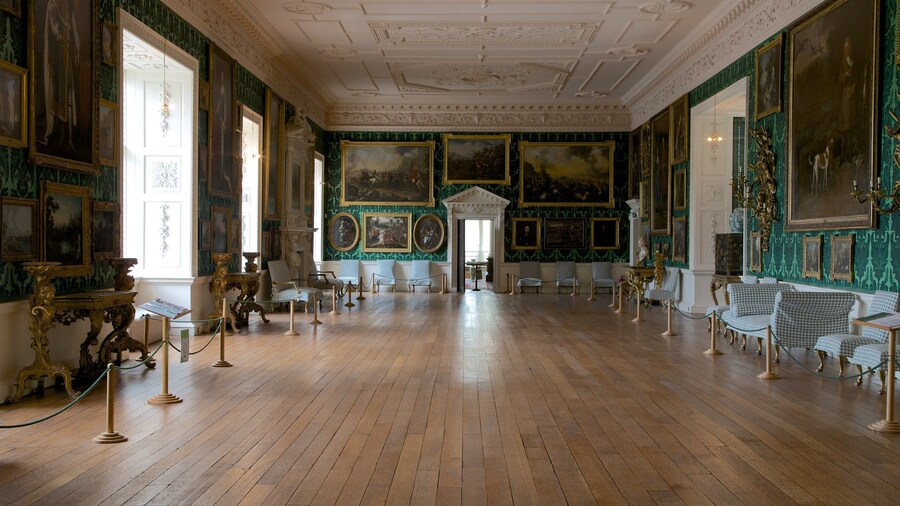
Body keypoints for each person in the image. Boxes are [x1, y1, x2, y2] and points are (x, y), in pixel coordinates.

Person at [42, 0, 82, 151]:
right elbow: (54, 29)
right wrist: (60, 35)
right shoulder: (53, 4)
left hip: (68, 56)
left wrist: (75, 46)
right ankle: (60, 134)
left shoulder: (68, 7)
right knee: (59, 94)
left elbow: (75, 32)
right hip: (59, 55)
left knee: (69, 94)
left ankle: (69, 137)